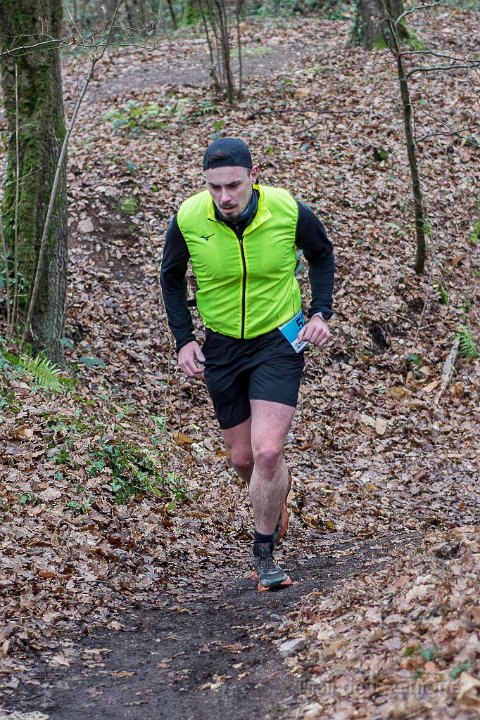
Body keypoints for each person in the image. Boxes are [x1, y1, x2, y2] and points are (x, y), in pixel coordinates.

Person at [160, 137, 334, 591]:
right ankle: (277, 492)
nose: (225, 197)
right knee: (243, 458)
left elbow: (322, 254)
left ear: (254, 176)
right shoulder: (189, 218)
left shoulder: (287, 210)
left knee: (267, 451)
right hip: (222, 346)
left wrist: (320, 313)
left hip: (278, 339)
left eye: (234, 185)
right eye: (215, 187)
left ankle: (265, 555)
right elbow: (170, 279)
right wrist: (184, 340)